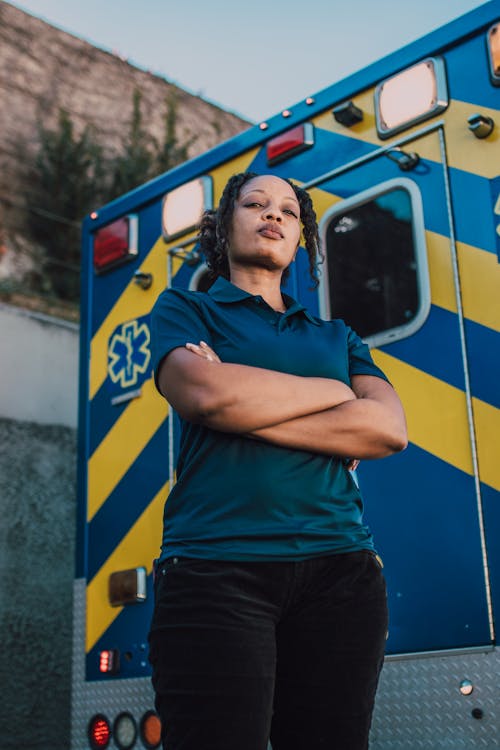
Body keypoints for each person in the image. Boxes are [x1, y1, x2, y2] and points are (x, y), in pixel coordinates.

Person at [148, 171, 407, 750]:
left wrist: (246, 405)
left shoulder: (337, 335)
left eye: (290, 212)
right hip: (216, 570)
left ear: (300, 242)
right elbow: (207, 396)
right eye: (256, 204)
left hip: (341, 573)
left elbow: (388, 429)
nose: (273, 216)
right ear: (223, 227)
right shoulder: (184, 310)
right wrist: (338, 394)